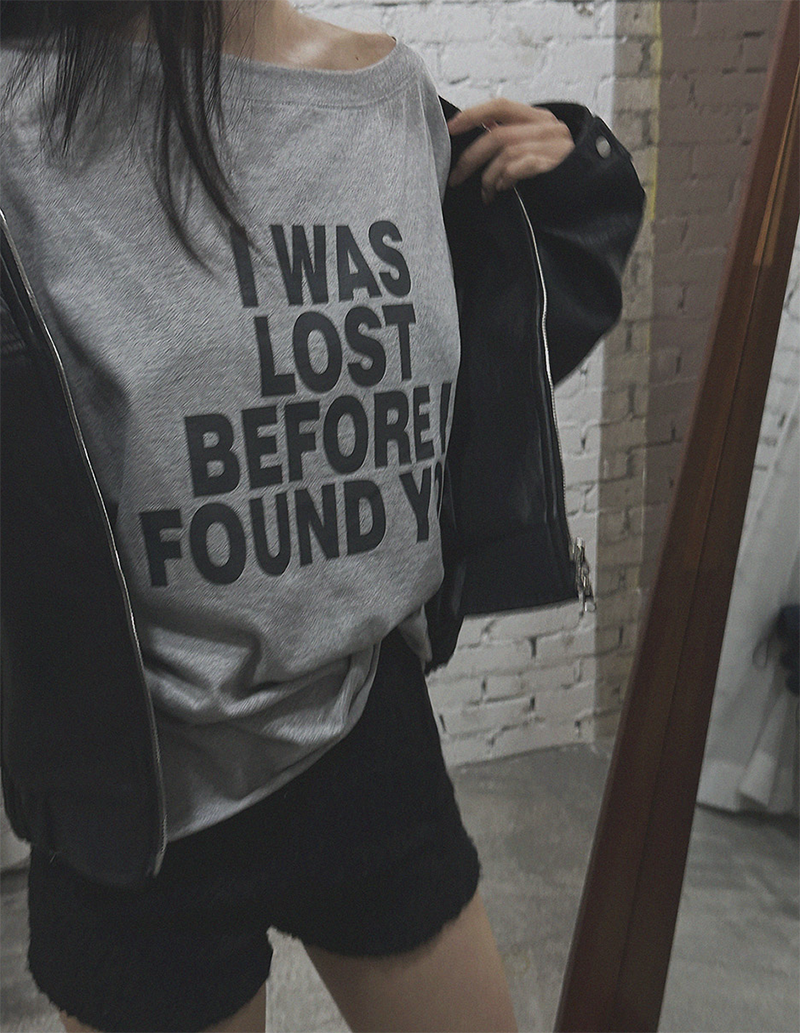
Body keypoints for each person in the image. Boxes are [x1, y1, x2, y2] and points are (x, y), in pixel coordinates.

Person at [0, 3, 645, 1033]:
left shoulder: (390, 99)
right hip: (137, 799)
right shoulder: (22, 118)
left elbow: (456, 385)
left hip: (368, 735)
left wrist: (567, 194)